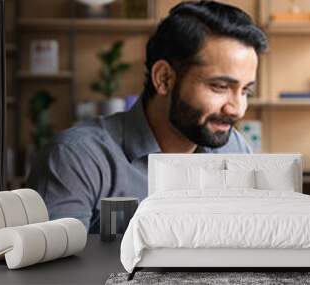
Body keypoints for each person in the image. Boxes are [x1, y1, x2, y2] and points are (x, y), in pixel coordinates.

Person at [26, 0, 268, 233]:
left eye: (245, 90)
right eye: (220, 87)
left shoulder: (234, 150)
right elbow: (56, 272)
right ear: (164, 78)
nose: (237, 109)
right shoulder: (77, 158)